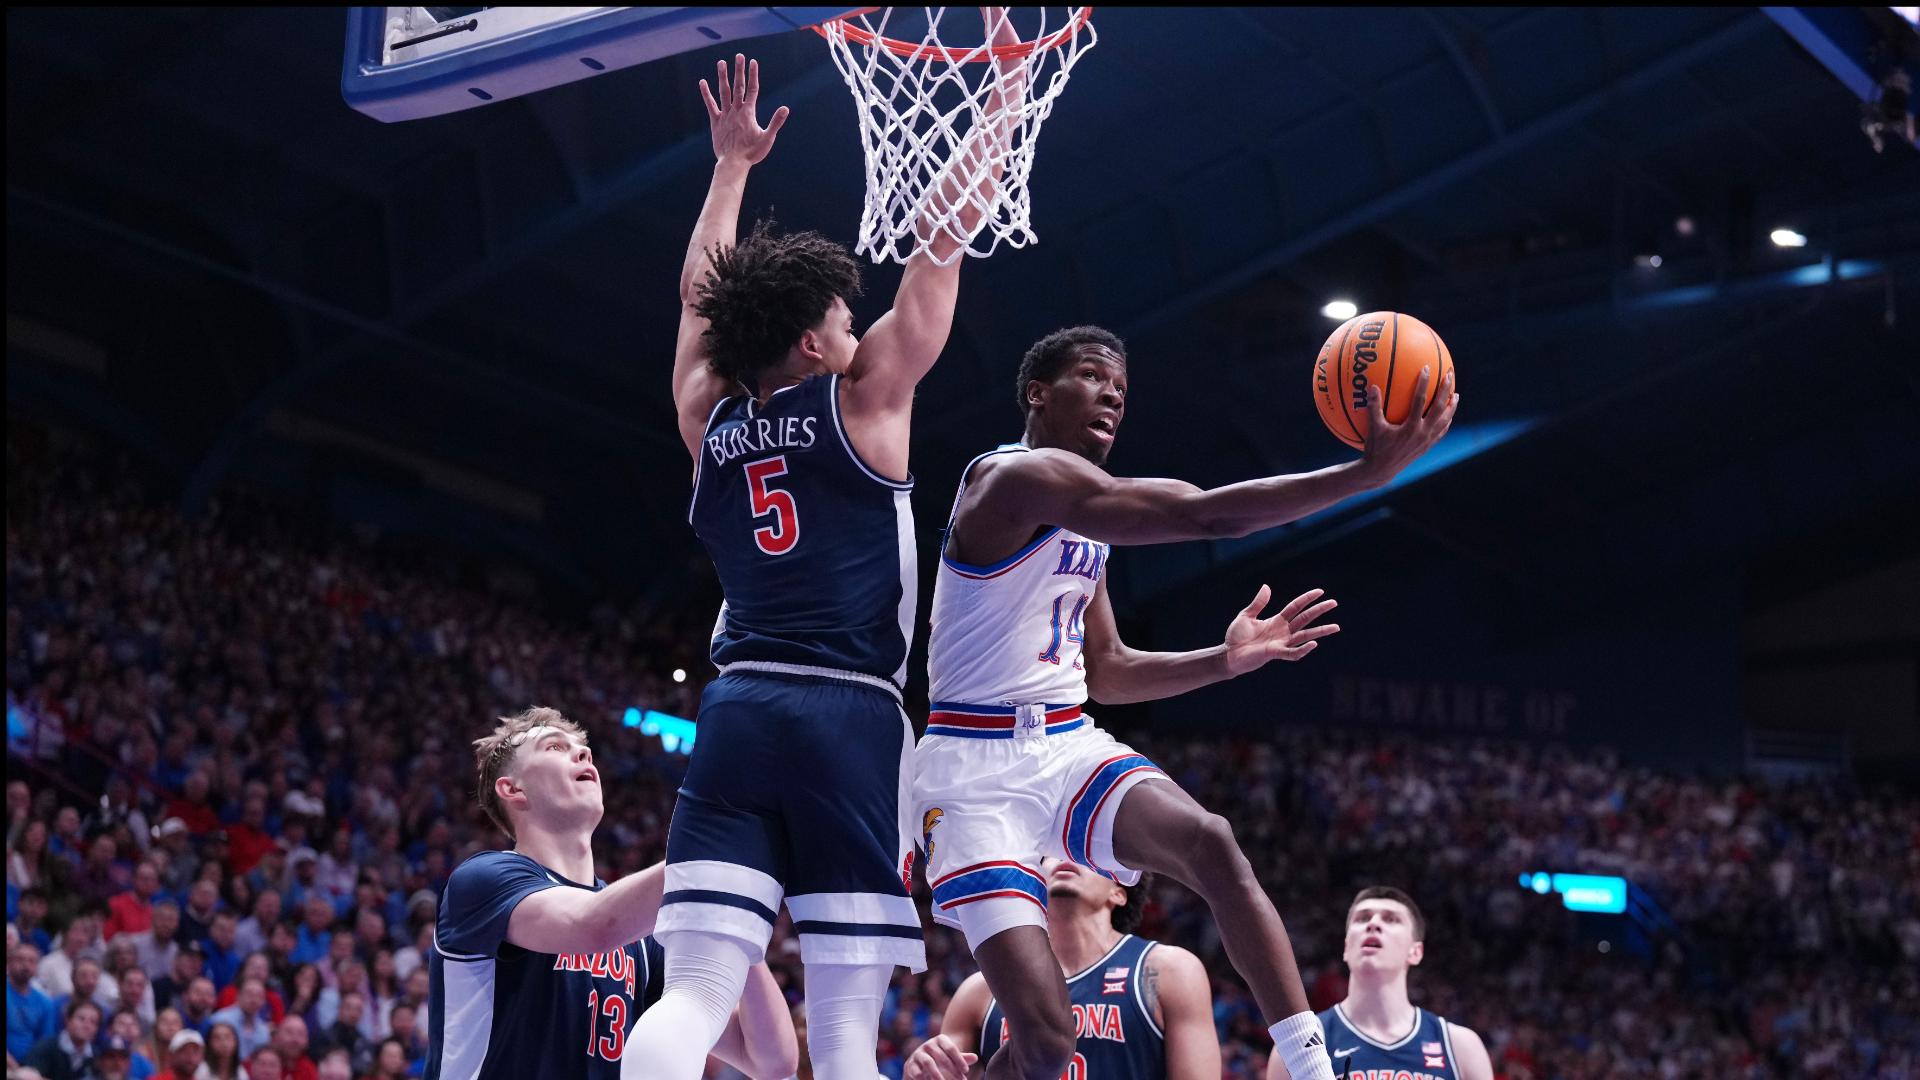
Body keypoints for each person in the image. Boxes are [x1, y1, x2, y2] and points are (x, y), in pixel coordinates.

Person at [626, 24, 1025, 1079]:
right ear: (813, 342)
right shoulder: (866, 403)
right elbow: (940, 241)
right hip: (849, 715)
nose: (859, 329)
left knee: (694, 992)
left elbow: (696, 298)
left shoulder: (705, 417)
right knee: (846, 1026)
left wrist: (729, 170)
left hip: (738, 709)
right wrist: (1000, 101)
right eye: (848, 319)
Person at [913, 327, 1457, 1080]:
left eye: (1121, 389)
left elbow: (1108, 672)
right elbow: (1204, 515)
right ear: (1038, 393)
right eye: (1092, 377)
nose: (1112, 396)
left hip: (1062, 741)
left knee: (1210, 841)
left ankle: (1309, 1065)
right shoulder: (1011, 480)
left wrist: (1225, 661)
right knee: (1047, 1043)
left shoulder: (1082, 526)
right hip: (972, 769)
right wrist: (1361, 475)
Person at [423, 709, 796, 1080]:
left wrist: (736, 915)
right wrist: (721, 852)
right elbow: (592, 926)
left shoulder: (642, 935)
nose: (583, 753)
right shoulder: (483, 881)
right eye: (554, 747)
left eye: (582, 747)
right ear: (513, 789)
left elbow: (769, 1060)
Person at [906, 859, 1219, 1080]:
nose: (1066, 857)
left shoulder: (1166, 970)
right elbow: (941, 1071)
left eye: (1085, 854)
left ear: (1119, 891)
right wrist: (923, 1070)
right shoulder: (980, 990)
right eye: (1053, 852)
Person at [1267, 888, 1493, 1080]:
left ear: (1415, 951)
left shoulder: (1460, 1046)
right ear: (1346, 947)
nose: (1373, 924)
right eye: (1362, 918)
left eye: (1391, 919)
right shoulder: (1304, 1042)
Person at [21, 999, 101, 1080]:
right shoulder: (46, 1048)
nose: (87, 1026)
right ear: (68, 1020)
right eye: (81, 1019)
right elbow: (25, 1075)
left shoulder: (95, 1055)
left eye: (93, 1022)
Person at [8, 942, 58, 1061]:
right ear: (9, 963)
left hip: (31, 1065)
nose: (26, 965)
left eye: (32, 961)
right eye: (20, 959)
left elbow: (45, 1043)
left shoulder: (45, 1002)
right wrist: (13, 1066)